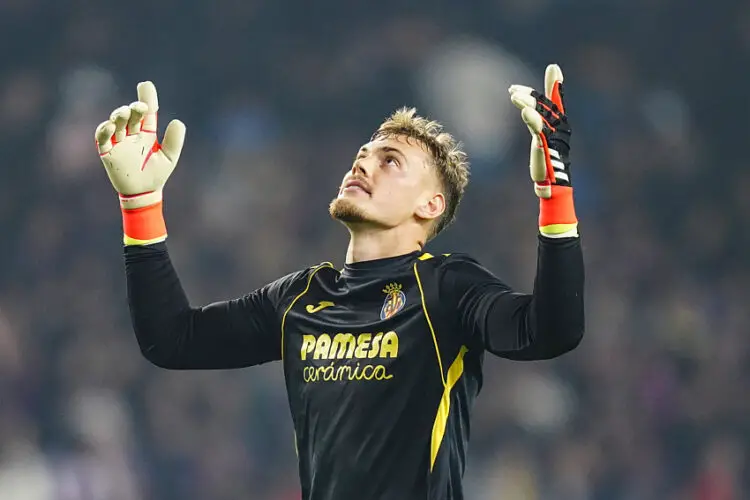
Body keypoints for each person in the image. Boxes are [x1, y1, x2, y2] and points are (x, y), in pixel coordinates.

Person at [94, 63, 584, 500]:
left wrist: (554, 191)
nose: (363, 162)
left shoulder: (446, 287)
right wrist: (140, 206)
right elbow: (172, 340)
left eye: (390, 160)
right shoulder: (300, 297)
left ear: (430, 205)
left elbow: (549, 331)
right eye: (363, 153)